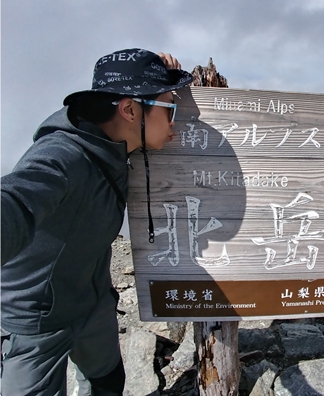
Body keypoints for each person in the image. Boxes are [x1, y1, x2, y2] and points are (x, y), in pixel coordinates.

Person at [1, 48, 193, 395]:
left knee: (108, 383)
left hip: (93, 305)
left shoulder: (117, 142)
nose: (174, 121)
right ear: (130, 109)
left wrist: (157, 71)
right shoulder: (62, 156)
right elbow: (16, 201)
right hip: (34, 320)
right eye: (170, 108)